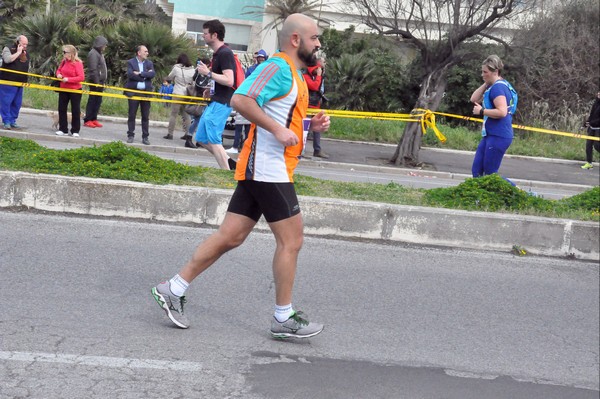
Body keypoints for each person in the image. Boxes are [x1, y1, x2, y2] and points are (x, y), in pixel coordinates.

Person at [151, 13, 331, 339]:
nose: (318, 43)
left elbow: (282, 120)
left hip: (268, 168)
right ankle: (283, 317)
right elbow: (240, 98)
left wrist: (308, 128)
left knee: (231, 236)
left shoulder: (294, 75)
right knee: (292, 240)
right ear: (295, 40)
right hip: (266, 170)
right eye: (314, 37)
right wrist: (277, 129)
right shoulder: (276, 68)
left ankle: (172, 288)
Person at [192, 19, 238, 170]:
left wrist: (208, 73)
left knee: (214, 140)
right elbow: (221, 79)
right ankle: (230, 163)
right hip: (215, 100)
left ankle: (227, 174)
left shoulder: (225, 53)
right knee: (200, 138)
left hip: (221, 103)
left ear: (214, 35)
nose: (203, 36)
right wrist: (210, 88)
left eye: (205, 34)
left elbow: (229, 79)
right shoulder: (218, 54)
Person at [470, 55, 516, 183]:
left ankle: (520, 193)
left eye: (485, 72)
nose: (482, 74)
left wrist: (482, 111)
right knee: (477, 171)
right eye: (482, 71)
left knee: (490, 174)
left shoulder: (498, 88)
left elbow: (502, 112)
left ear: (495, 72)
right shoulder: (493, 85)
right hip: (490, 135)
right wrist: (486, 82)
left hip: (499, 135)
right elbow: (473, 99)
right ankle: (480, 199)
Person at [124, 45, 155, 145]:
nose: (147, 53)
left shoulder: (149, 63)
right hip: (134, 92)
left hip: (145, 93)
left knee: (145, 116)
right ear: (139, 53)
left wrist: (140, 73)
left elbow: (152, 74)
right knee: (132, 114)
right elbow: (130, 75)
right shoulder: (131, 62)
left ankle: (145, 137)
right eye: (145, 51)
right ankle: (130, 135)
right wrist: (145, 76)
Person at [54, 45, 85, 137]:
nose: (63, 54)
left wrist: (68, 79)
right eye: (63, 52)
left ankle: (75, 130)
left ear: (71, 53)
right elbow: (59, 70)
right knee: (62, 108)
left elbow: (81, 77)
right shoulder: (64, 62)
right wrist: (59, 74)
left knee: (75, 110)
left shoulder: (78, 63)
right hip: (63, 88)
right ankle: (63, 129)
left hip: (75, 89)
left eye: (65, 52)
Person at [0, 35, 30, 130]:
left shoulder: (25, 52)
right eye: (23, 44)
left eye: (26, 44)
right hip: (8, 81)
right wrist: (18, 52)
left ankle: (13, 120)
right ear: (18, 42)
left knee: (17, 103)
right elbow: (7, 59)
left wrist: (22, 53)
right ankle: (6, 121)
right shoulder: (8, 48)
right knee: (6, 102)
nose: (25, 46)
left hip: (20, 82)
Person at [164, 53, 195, 139]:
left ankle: (170, 134)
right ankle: (188, 134)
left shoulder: (176, 68)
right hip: (187, 94)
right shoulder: (192, 69)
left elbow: (169, 77)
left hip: (177, 93)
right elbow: (193, 82)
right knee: (186, 114)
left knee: (174, 114)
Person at [303, 58, 328, 158]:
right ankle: (302, 149)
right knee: (305, 128)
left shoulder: (318, 76)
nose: (319, 70)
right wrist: (318, 76)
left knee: (317, 128)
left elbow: (320, 88)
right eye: (318, 68)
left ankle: (317, 150)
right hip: (307, 105)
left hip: (316, 105)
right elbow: (314, 87)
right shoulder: (305, 75)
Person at [83, 35, 108, 128]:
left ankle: (94, 118)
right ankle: (88, 119)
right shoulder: (93, 53)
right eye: (104, 45)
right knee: (92, 100)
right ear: (100, 44)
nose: (105, 47)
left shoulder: (99, 53)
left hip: (100, 82)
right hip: (95, 82)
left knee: (98, 101)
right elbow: (93, 69)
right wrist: (97, 82)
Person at [581, 90, 600, 170]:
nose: (598, 94)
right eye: (598, 93)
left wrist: (591, 123)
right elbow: (592, 115)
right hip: (592, 127)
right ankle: (589, 163)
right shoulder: (596, 102)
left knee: (597, 145)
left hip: (598, 128)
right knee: (588, 145)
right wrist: (586, 123)